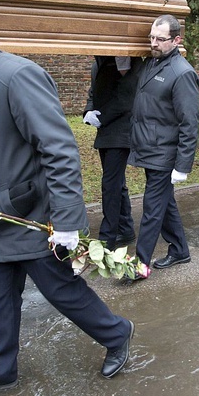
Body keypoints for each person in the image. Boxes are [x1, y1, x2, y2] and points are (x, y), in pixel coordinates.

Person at [0, 21, 134, 396]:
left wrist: (68, 221)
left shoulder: (16, 77)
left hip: (33, 215)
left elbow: (59, 149)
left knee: (60, 290)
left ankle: (117, 333)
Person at [127, 14, 199, 276]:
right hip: (150, 147)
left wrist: (182, 165)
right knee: (164, 203)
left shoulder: (182, 74)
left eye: (160, 39)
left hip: (164, 153)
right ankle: (180, 250)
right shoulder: (152, 64)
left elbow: (189, 123)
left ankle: (140, 264)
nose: (154, 43)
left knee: (152, 208)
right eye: (151, 38)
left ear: (176, 40)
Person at [83, 56, 142, 251]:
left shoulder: (130, 61)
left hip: (121, 130)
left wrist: (103, 118)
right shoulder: (99, 62)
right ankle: (124, 229)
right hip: (106, 130)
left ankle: (106, 238)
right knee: (116, 183)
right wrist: (88, 111)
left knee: (110, 184)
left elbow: (127, 98)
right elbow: (95, 92)